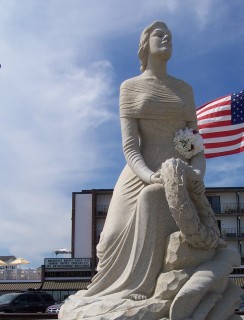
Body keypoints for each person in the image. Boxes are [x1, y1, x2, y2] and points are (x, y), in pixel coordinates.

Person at [78, 21, 209, 301]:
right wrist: (149, 175)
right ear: (144, 44)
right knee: (110, 238)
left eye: (170, 36)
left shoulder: (185, 89)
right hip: (142, 167)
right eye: (159, 34)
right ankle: (115, 290)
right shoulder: (130, 87)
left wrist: (196, 171)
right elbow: (129, 145)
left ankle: (145, 286)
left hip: (176, 168)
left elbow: (194, 141)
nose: (166, 38)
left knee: (160, 221)